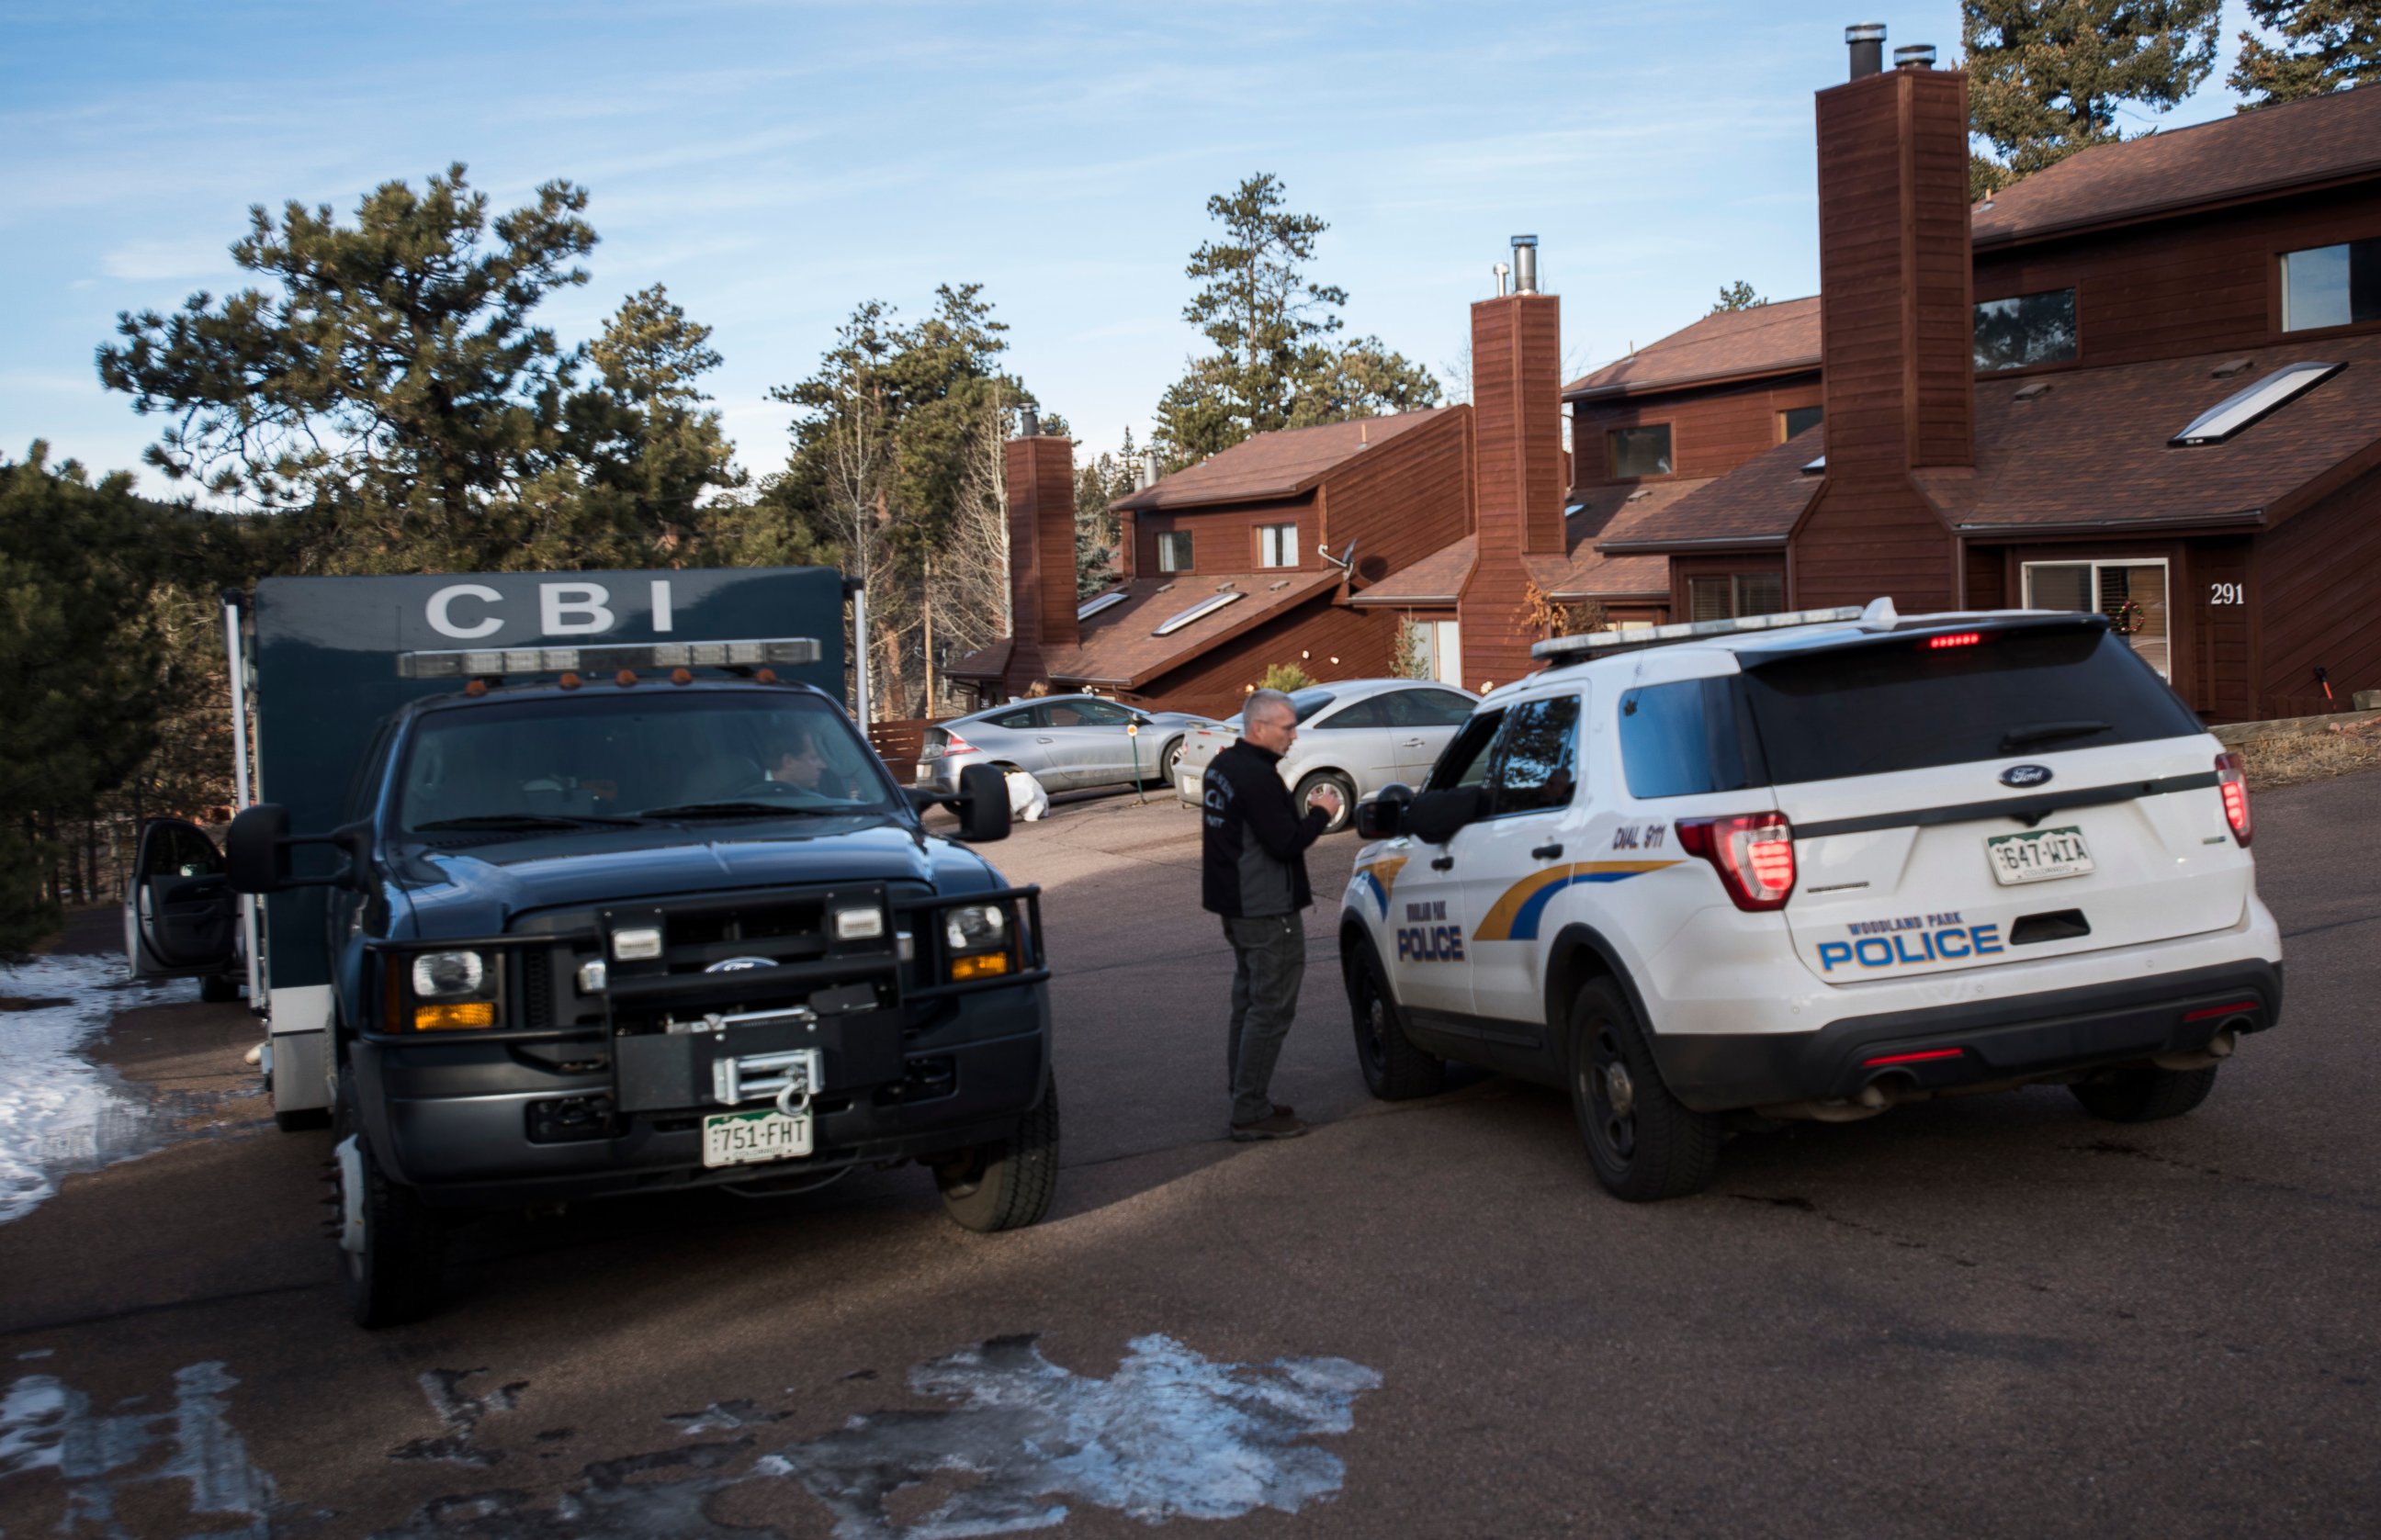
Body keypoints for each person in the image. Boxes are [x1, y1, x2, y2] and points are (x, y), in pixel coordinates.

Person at [1202, 688, 1344, 1141]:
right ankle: (1249, 1109)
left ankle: (1246, 1093)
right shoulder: (1256, 777)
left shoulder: (1222, 767)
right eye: (1287, 728)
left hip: (1237, 905)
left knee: (1249, 1002)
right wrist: (1322, 812)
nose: (1293, 736)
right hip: (1265, 909)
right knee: (1271, 1008)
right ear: (1258, 728)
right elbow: (1285, 842)